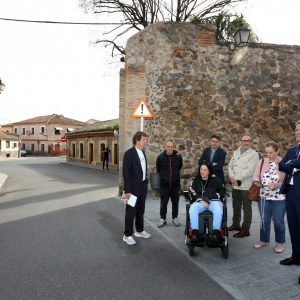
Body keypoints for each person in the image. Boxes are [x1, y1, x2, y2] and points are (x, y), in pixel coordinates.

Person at [252, 142, 286, 253]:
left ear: (277, 151)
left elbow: (287, 181)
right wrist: (257, 181)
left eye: (271, 152)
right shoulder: (262, 161)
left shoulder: (284, 163)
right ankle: (263, 239)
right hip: (264, 196)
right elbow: (256, 175)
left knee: (278, 221)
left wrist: (277, 185)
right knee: (264, 220)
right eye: (266, 152)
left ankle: (280, 243)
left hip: (279, 197)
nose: (268, 154)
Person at [122, 131, 151, 245]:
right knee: (130, 212)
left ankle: (139, 230)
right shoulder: (129, 154)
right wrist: (127, 191)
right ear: (137, 140)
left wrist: (145, 182)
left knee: (140, 210)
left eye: (146, 139)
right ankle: (127, 235)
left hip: (142, 186)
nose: (145, 141)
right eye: (144, 139)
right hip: (132, 189)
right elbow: (126, 173)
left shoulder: (143, 153)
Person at [228, 134, 259, 238]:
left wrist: (236, 178)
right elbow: (230, 165)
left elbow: (250, 170)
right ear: (240, 141)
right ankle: (235, 225)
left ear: (250, 142)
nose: (246, 142)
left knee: (246, 208)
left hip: (245, 185)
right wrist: (232, 177)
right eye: (244, 140)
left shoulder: (254, 154)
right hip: (235, 185)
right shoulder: (236, 152)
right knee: (235, 205)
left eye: (248, 141)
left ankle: (245, 230)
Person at [278, 120, 300, 266]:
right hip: (291, 192)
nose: (297, 132)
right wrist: (293, 165)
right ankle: (296, 256)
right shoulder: (293, 149)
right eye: (296, 130)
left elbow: (295, 163)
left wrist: (292, 164)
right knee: (293, 227)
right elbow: (281, 164)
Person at [189, 162, 226, 242]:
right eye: (201, 169)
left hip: (214, 202)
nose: (202, 171)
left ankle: (216, 232)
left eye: (205, 170)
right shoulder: (195, 179)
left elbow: (223, 191)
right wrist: (200, 199)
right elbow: (191, 191)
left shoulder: (215, 179)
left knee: (218, 208)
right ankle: (195, 232)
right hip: (201, 202)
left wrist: (211, 197)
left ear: (209, 171)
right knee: (193, 208)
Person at [156, 140, 183, 228]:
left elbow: (180, 166)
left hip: (175, 184)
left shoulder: (178, 156)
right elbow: (158, 169)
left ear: (173, 147)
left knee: (175, 202)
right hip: (164, 185)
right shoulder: (160, 157)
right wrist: (165, 178)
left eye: (171, 147)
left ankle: (175, 218)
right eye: (168, 146)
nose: (170, 148)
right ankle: (162, 218)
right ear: (165, 147)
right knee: (163, 203)